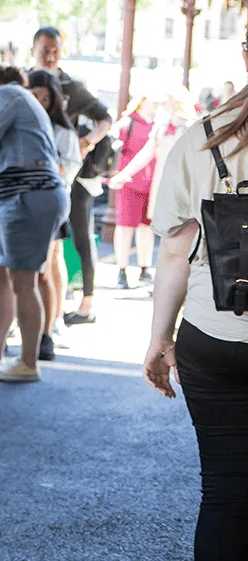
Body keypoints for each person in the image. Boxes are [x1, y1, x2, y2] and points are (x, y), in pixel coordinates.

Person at [145, 54, 248, 560]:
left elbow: (174, 249)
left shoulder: (201, 138)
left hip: (212, 338)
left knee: (226, 494)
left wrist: (160, 338)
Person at [0, 65, 68, 383]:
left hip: (26, 195)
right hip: (19, 195)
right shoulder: (22, 98)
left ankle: (28, 362)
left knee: (23, 281)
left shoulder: (7, 94)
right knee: (2, 275)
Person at [32, 27, 113, 325]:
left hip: (72, 174)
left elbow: (105, 117)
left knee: (75, 236)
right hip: (32, 177)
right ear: (34, 50)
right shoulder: (23, 82)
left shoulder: (72, 87)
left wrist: (87, 141)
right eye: (44, 49)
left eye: (55, 49)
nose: (50, 54)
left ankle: (83, 304)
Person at [26, 69, 82, 362]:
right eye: (33, 95)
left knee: (44, 272)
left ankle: (45, 333)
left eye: (43, 97)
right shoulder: (22, 124)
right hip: (22, 203)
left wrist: (39, 161)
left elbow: (67, 170)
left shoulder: (63, 133)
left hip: (49, 206)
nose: (38, 101)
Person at [109, 91, 174, 290]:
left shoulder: (160, 124)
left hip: (152, 184)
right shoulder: (128, 122)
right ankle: (122, 269)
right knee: (125, 227)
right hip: (130, 184)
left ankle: (144, 268)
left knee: (146, 228)